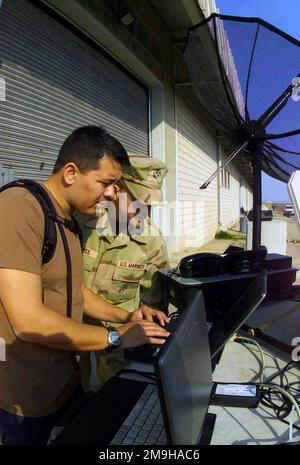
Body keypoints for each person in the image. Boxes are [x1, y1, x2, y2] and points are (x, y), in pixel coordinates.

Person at [0, 126, 169, 445]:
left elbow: (76, 291)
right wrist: (116, 337)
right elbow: (28, 321)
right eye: (105, 183)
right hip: (22, 402)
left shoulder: (68, 222)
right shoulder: (20, 206)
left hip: (63, 386)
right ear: (70, 172)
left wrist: (126, 317)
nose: (109, 193)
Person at [78, 155, 169, 387]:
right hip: (72, 324)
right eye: (138, 200)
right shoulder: (81, 220)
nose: (144, 210)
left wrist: (148, 310)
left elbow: (154, 300)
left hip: (120, 331)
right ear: (116, 189)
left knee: (116, 391)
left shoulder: (152, 240)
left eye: (149, 204)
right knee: (70, 386)